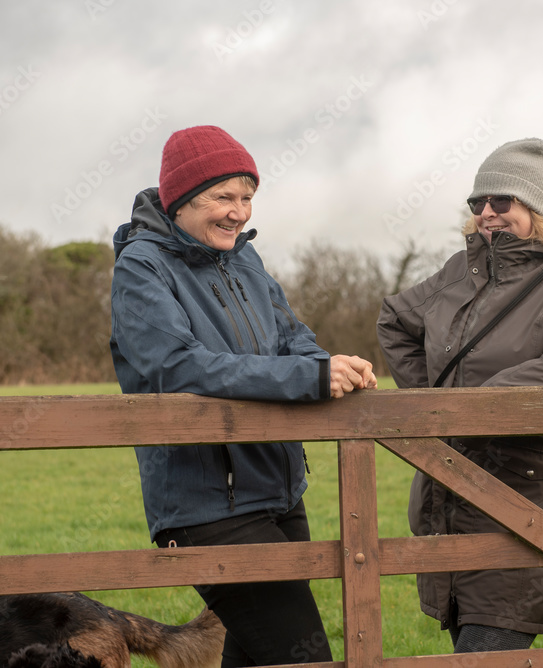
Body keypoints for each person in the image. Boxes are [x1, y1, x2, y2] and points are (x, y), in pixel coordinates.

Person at [110, 124, 376, 666]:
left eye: (248, 197)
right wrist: (308, 378)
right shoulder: (141, 267)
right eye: (223, 197)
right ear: (180, 200)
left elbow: (293, 338)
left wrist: (333, 366)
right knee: (303, 658)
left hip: (280, 492)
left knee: (257, 656)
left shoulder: (243, 258)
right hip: (209, 506)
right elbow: (178, 368)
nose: (239, 212)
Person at [376, 138, 543, 653]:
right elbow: (394, 320)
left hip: (529, 500)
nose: (486, 212)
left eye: (502, 200)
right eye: (478, 202)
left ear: (540, 206)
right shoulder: (459, 271)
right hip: (449, 494)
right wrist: (433, 404)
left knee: (485, 650)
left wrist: (486, 402)